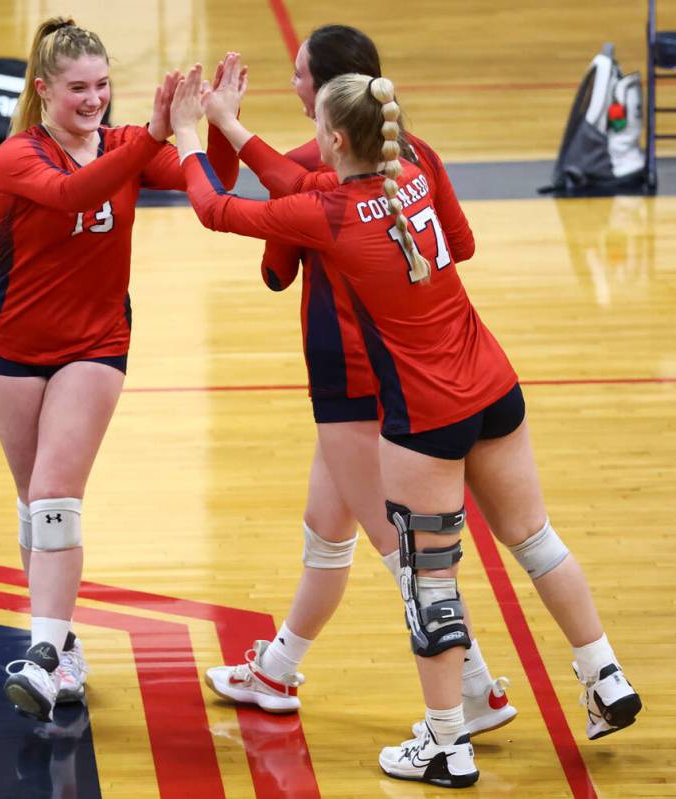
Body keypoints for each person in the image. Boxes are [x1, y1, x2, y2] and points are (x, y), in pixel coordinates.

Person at [170, 63, 641, 788]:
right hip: (494, 384)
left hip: (425, 415)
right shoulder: (411, 162)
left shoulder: (328, 212)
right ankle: (603, 675)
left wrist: (183, 136)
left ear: (328, 139)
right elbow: (299, 184)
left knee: (430, 581)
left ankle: (447, 743)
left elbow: (216, 208)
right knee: (536, 539)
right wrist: (231, 125)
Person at [203, 30, 515, 740]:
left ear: (323, 95)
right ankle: (277, 669)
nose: (291, 85)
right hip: (422, 366)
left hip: (352, 378)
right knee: (327, 529)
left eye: (297, 75)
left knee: (402, 549)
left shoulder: (310, 170)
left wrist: (215, 129)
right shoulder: (411, 152)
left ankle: (474, 688)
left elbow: (275, 270)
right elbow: (458, 247)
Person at [0, 17, 238, 722]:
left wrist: (212, 124)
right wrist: (152, 134)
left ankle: (39, 658)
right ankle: (59, 641)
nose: (94, 99)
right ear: (42, 90)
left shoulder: (127, 144)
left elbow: (210, 182)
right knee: (34, 504)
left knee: (58, 492)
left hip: (94, 341)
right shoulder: (17, 155)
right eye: (78, 88)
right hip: (13, 341)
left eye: (102, 85)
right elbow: (75, 194)